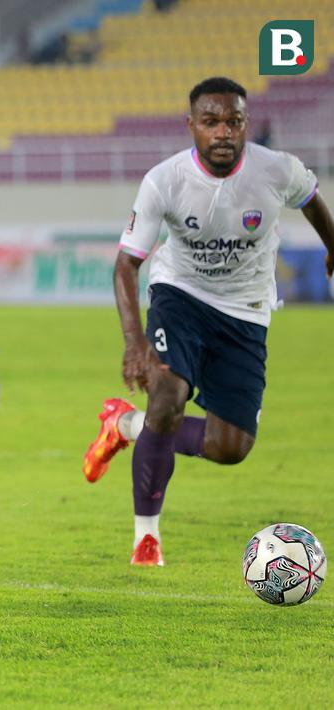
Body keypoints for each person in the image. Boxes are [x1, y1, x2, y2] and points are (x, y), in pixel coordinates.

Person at [82, 77, 334, 566]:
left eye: (233, 122)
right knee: (169, 394)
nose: (223, 132)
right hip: (181, 295)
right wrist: (135, 344)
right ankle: (145, 539)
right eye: (211, 121)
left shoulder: (276, 169)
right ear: (191, 125)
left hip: (246, 312)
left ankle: (125, 425)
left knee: (230, 446)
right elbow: (126, 264)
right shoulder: (165, 180)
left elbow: (311, 197)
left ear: (245, 125)